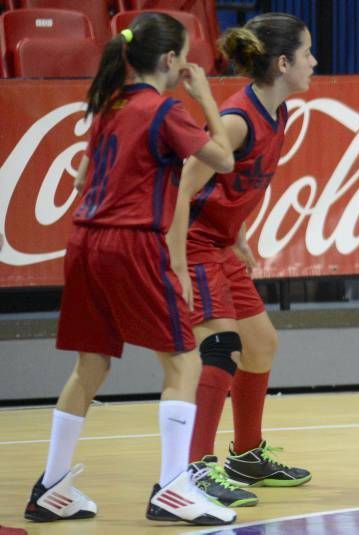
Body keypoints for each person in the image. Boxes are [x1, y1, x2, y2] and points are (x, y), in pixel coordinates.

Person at [24, 13, 237, 525]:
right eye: (185, 56)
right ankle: (173, 489)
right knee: (184, 363)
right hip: (131, 244)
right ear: (169, 61)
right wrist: (206, 96)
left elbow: (79, 182)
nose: (188, 64)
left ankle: (51, 486)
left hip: (84, 242)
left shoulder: (109, 106)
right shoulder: (165, 111)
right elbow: (225, 161)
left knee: (89, 367)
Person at [166, 13, 316, 507]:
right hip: (194, 244)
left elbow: (234, 184)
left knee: (262, 345)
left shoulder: (281, 113)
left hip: (221, 243)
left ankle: (246, 454)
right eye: (307, 53)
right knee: (222, 349)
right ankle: (195, 468)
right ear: (283, 62)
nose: (314, 62)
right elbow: (184, 187)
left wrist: (240, 233)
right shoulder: (235, 120)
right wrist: (177, 259)